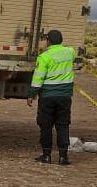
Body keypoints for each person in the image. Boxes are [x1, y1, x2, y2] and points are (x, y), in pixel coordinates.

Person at [27, 30, 76, 166]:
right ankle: (63, 157)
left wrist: (32, 94)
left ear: (48, 41)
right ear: (61, 40)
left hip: (48, 96)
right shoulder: (70, 52)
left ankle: (46, 155)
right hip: (65, 96)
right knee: (63, 125)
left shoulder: (44, 57)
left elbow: (38, 78)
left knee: (46, 125)